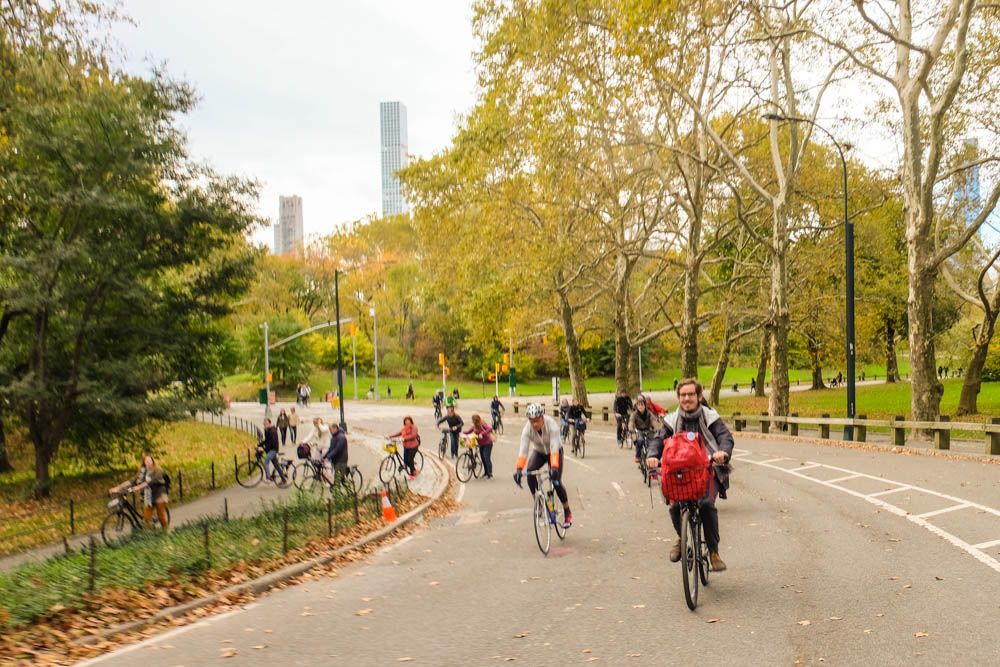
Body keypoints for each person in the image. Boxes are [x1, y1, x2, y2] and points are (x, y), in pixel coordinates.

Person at [646, 378, 734, 572]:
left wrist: (723, 453)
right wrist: (652, 456)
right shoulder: (672, 420)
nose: (687, 398)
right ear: (678, 398)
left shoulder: (710, 416)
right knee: (675, 505)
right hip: (681, 472)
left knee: (706, 505)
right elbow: (658, 440)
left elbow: (725, 437)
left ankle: (713, 552)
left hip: (707, 468)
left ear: (699, 396)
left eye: (691, 394)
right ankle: (681, 536)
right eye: (683, 395)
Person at [514, 403, 572, 528]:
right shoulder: (527, 429)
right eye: (531, 421)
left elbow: (554, 447)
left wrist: (554, 467)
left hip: (554, 451)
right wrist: (519, 469)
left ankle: (567, 511)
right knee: (530, 471)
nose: (534, 424)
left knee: (556, 481)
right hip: (539, 452)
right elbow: (523, 450)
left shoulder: (552, 425)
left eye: (537, 420)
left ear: (542, 417)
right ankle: (538, 503)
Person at [109, 453, 170, 530]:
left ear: (153, 461)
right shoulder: (143, 472)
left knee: (161, 516)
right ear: (144, 462)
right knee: (146, 519)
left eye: (149, 460)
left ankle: (166, 532)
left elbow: (150, 482)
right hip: (148, 495)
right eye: (146, 461)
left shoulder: (159, 470)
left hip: (159, 494)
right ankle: (149, 535)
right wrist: (117, 488)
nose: (148, 462)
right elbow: (131, 481)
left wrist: (138, 487)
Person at [629, 396, 662, 463]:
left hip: (648, 430)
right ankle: (638, 456)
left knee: (653, 442)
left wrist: (657, 428)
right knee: (640, 440)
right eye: (639, 405)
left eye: (642, 405)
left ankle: (653, 457)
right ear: (637, 406)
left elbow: (653, 421)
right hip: (639, 431)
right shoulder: (634, 414)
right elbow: (631, 422)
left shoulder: (649, 413)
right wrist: (631, 428)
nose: (640, 406)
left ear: (645, 405)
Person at [464, 414, 495, 479]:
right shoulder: (474, 426)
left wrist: (481, 434)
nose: (473, 422)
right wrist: (462, 433)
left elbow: (490, 428)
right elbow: (468, 432)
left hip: (488, 443)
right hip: (481, 444)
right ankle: (486, 473)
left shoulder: (482, 425)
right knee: (483, 459)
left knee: (487, 458)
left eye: (474, 421)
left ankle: (490, 474)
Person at [261, 418, 286, 484]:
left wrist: (264, 449)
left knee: (266, 462)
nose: (265, 425)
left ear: (269, 423)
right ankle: (284, 480)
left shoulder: (272, 431)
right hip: (270, 450)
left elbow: (272, 442)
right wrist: (259, 445)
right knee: (276, 466)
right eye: (264, 424)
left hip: (273, 450)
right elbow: (266, 440)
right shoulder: (267, 430)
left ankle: (268, 478)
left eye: (266, 423)